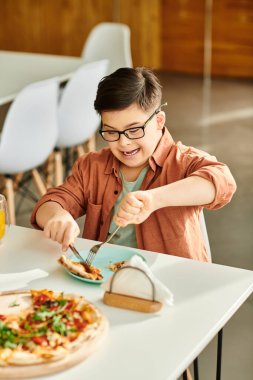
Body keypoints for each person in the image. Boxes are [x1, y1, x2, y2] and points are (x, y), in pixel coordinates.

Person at [31, 67, 236, 262]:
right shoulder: (92, 166)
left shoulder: (182, 162)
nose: (123, 142)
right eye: (111, 132)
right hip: (104, 279)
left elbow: (222, 181)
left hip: (168, 283)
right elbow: (51, 202)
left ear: (159, 121)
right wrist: (57, 215)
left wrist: (154, 199)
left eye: (134, 130)